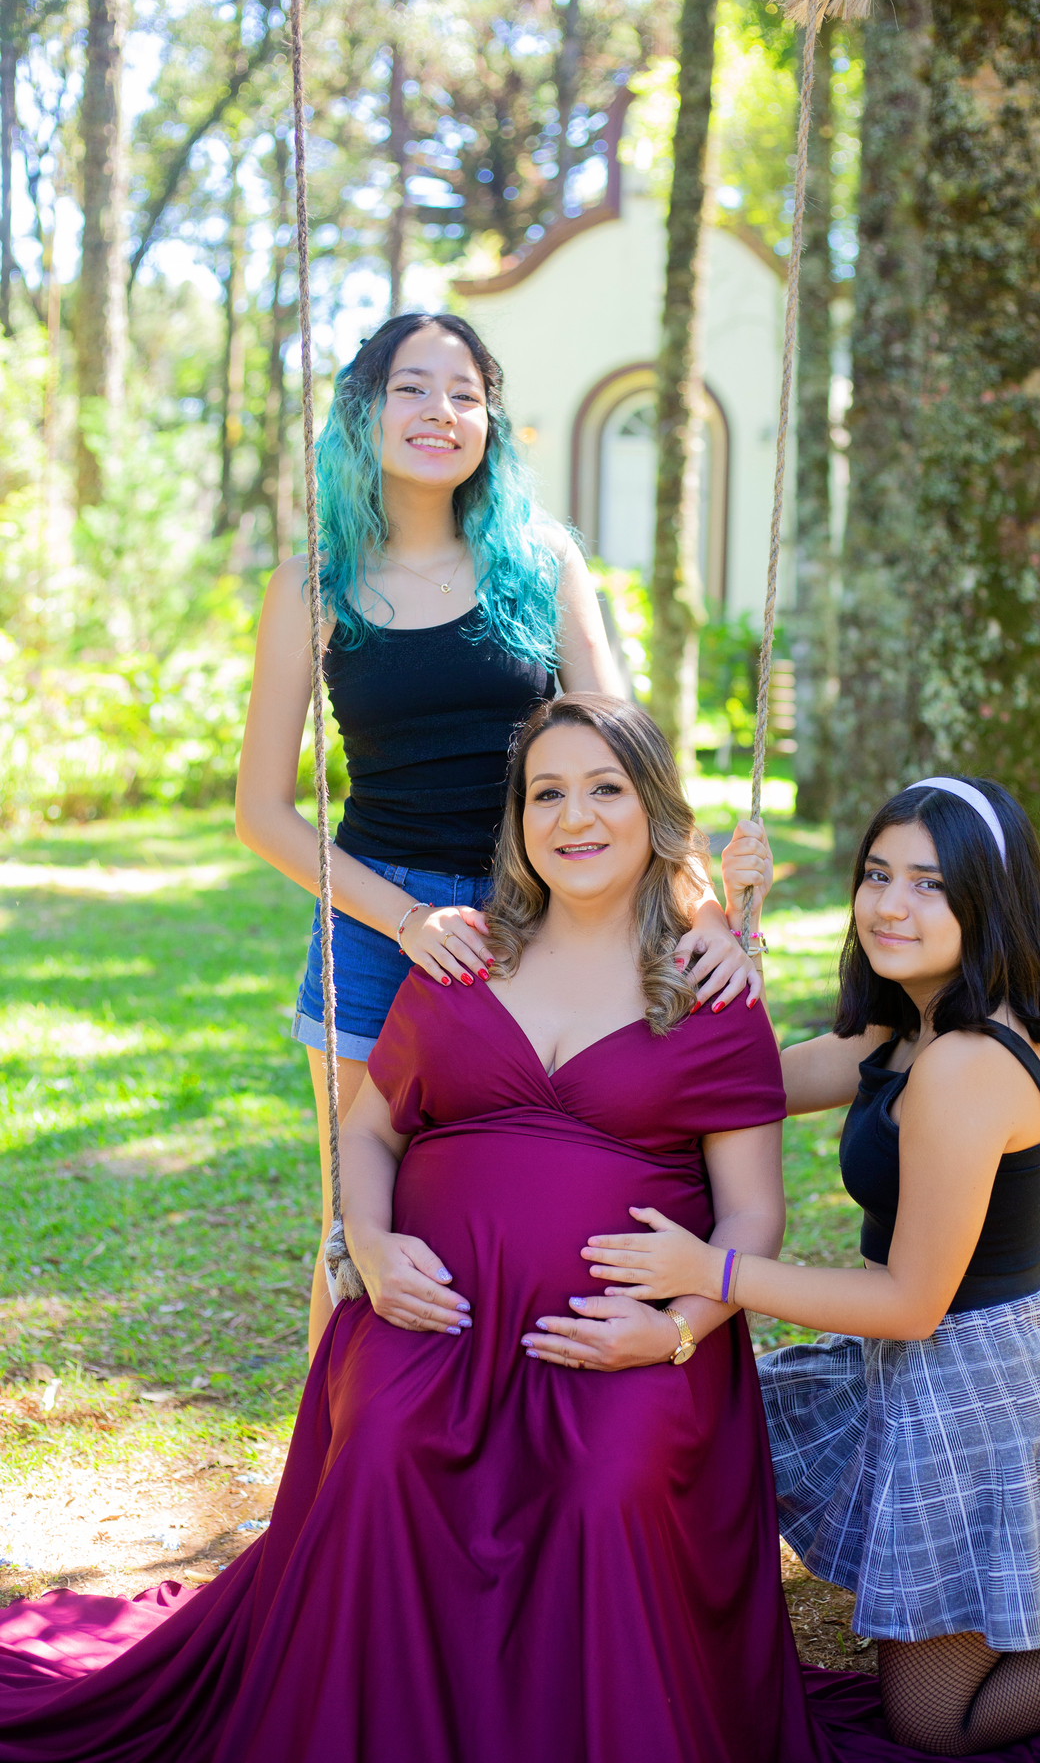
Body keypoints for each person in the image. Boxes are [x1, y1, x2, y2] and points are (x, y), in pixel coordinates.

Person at [0, 695, 820, 1763]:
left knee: (609, 1487)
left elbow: (755, 1210)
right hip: (434, 1316)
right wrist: (371, 1250)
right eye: (547, 793)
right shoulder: (464, 960)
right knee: (382, 1443)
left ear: (656, 810)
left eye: (605, 788)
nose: (576, 816)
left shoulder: (712, 990)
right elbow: (369, 1133)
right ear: (518, 823)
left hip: (622, 1333)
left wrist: (678, 1329)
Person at [580, 775, 1040, 1760]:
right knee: (710, 1427)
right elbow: (757, 1084)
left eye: (930, 885)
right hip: (915, 1361)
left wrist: (712, 1267)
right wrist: (735, 927)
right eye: (877, 875)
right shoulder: (909, 1024)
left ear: (988, 901)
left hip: (981, 1392)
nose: (890, 904)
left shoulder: (965, 1065)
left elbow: (911, 1303)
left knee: (932, 1722)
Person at [233, 311, 763, 1358]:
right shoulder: (313, 581)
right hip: (379, 923)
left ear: (491, 420)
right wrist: (406, 919)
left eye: (465, 393)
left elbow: (630, 765)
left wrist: (703, 910)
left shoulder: (540, 558)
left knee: (520, 1195)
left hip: (551, 908)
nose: (441, 412)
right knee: (358, 1225)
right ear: (363, 412)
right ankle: (335, 1484)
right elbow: (261, 813)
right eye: (413, 388)